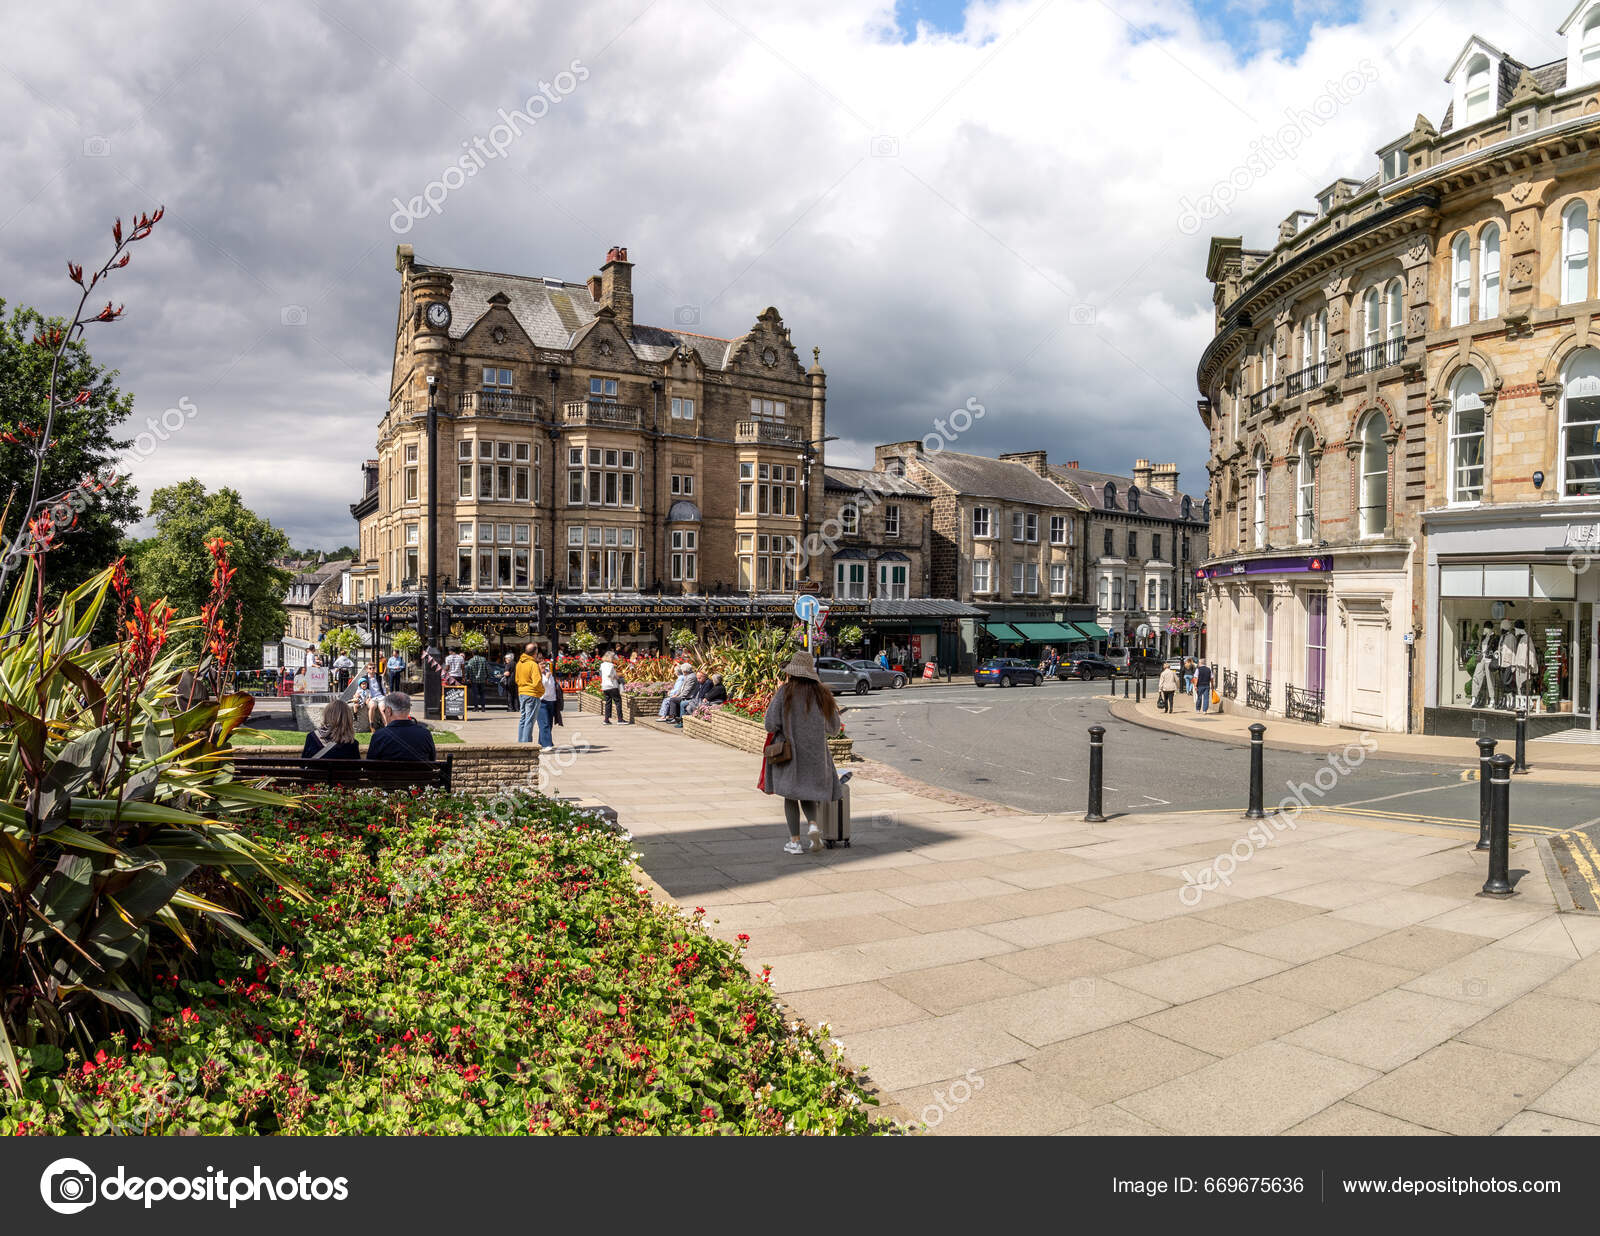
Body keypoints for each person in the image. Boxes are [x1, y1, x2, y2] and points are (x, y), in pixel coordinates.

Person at [761, 651, 844, 855]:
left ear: (792, 673)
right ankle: (814, 826)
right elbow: (834, 727)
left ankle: (795, 843)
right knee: (807, 793)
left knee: (791, 796)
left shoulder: (785, 692)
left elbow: (770, 723)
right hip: (816, 755)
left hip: (790, 753)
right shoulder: (822, 694)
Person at [368, 692, 437, 762]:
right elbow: (432, 760)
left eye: (384, 710)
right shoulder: (425, 734)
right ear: (408, 709)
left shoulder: (379, 736)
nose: (384, 712)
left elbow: (369, 765)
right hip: (420, 773)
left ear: (389, 710)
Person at [515, 644, 544, 745]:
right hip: (532, 694)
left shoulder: (519, 663)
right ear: (535, 653)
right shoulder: (533, 664)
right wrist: (541, 692)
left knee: (523, 718)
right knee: (529, 720)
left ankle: (521, 742)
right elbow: (537, 682)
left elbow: (517, 679)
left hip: (522, 693)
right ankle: (526, 744)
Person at [536, 657, 560, 752]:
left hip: (551, 700)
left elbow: (552, 686)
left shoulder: (548, 672)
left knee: (549, 723)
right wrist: (546, 677)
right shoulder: (537, 674)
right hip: (541, 700)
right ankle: (547, 744)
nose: (543, 666)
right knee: (544, 723)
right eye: (541, 664)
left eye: (544, 664)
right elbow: (540, 685)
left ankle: (541, 742)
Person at [599, 651, 626, 725]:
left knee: (608, 703)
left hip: (605, 686)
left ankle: (606, 720)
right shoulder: (610, 665)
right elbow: (609, 674)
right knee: (618, 702)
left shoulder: (602, 665)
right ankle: (620, 720)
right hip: (612, 686)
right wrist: (616, 677)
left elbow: (602, 675)